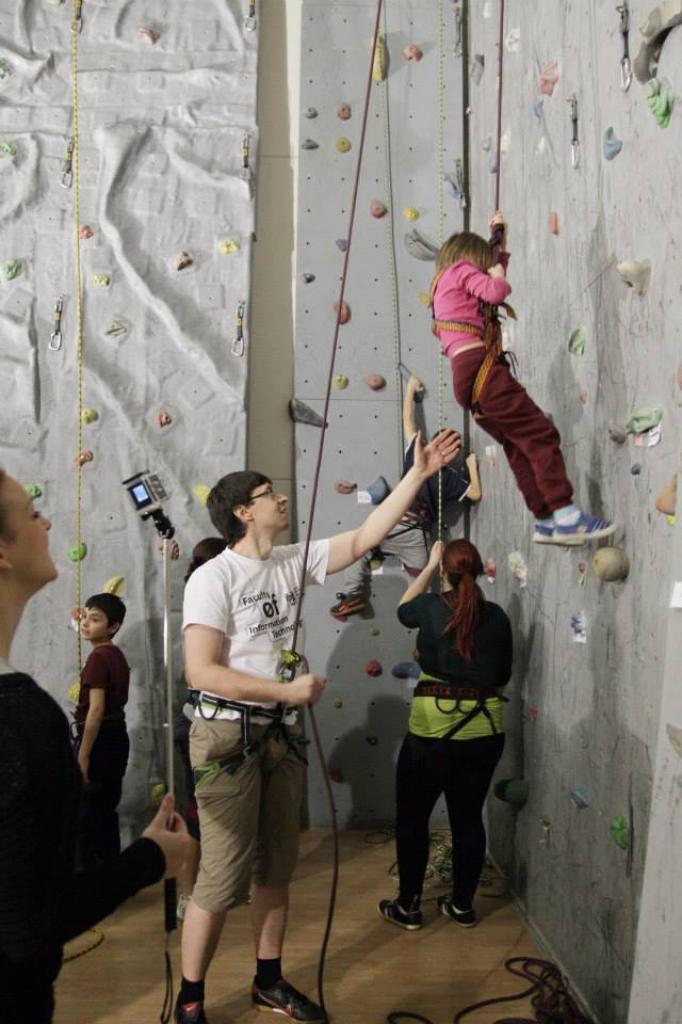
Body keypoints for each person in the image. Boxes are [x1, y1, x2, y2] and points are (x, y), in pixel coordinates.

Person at [177, 427, 461, 1024]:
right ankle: (191, 999)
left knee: (277, 868)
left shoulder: (290, 561)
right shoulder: (214, 578)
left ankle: (268, 981)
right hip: (227, 737)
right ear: (242, 511)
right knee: (221, 877)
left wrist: (418, 473)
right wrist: (285, 691)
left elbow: (364, 537)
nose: (281, 498)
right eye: (268, 494)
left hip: (279, 736)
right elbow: (201, 671)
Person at [0, 468, 196, 1024]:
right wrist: (151, 858)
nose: (47, 523)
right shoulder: (20, 721)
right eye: (32, 515)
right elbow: (29, 925)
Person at [430, 211, 616, 546]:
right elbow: (495, 292)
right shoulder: (461, 270)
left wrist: (499, 242)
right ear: (469, 258)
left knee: (517, 446)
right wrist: (498, 274)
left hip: (466, 382)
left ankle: (545, 520)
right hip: (482, 369)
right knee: (540, 434)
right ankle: (566, 516)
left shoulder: (442, 288)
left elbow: (482, 292)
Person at [379, 538, 512, 932]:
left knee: (413, 819)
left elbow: (402, 610)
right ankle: (462, 906)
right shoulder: (498, 616)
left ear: (444, 571)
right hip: (485, 729)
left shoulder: (429, 606)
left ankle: (408, 906)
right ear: (479, 571)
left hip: (432, 732)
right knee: (468, 818)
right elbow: (502, 674)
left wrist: (428, 565)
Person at [330, 373, 481, 620]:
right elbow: (475, 493)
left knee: (357, 547)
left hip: (395, 524)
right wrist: (472, 466)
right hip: (416, 536)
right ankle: (437, 617)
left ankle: (353, 594)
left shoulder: (417, 455)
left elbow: (408, 419)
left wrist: (410, 388)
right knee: (421, 581)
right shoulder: (448, 477)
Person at [175, 537, 228, 919]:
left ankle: (200, 891)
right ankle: (189, 894)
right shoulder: (210, 605)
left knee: (206, 813)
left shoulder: (200, 602)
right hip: (203, 724)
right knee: (198, 815)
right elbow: (195, 674)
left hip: (204, 721)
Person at [73, 592, 130, 866]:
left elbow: (95, 710)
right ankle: (111, 874)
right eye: (84, 617)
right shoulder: (115, 655)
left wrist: (83, 755)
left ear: (113, 626)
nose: (85, 623)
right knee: (106, 811)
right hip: (117, 736)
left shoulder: (98, 658)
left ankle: (88, 879)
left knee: (87, 815)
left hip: (99, 739)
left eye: (94, 619)